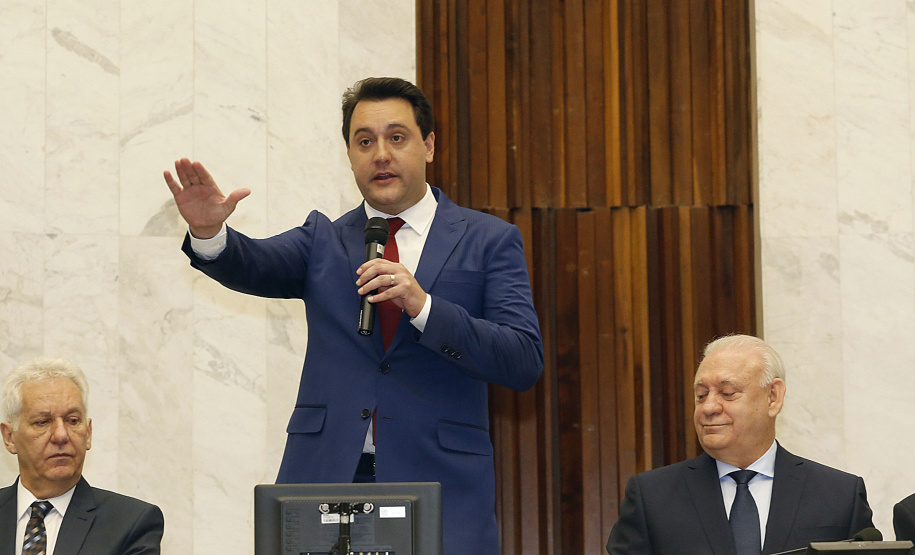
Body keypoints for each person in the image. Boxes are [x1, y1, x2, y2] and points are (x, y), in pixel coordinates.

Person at [163, 76, 543, 555]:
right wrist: (210, 232)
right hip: (325, 485)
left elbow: (523, 359)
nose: (380, 153)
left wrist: (423, 307)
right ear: (348, 154)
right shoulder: (324, 239)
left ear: (428, 145)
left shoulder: (489, 240)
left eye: (396, 137)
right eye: (364, 141)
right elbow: (252, 262)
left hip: (440, 490)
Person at [606, 334, 874, 554]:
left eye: (727, 393)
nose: (709, 407)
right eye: (701, 395)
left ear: (773, 397)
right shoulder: (652, 497)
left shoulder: (839, 496)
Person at [0, 357, 164, 554]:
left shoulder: (131, 523)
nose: (61, 435)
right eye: (42, 422)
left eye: (73, 420)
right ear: (9, 438)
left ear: (89, 433)